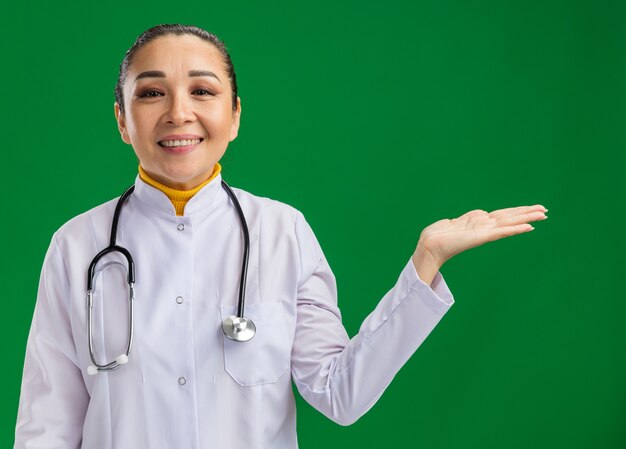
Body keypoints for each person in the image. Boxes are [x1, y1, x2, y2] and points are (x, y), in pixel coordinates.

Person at [13, 23, 548, 449]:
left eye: (203, 90)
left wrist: (426, 262)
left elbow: (342, 392)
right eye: (152, 92)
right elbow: (46, 427)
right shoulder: (77, 246)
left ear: (235, 114)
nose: (179, 112)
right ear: (122, 120)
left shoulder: (282, 231)